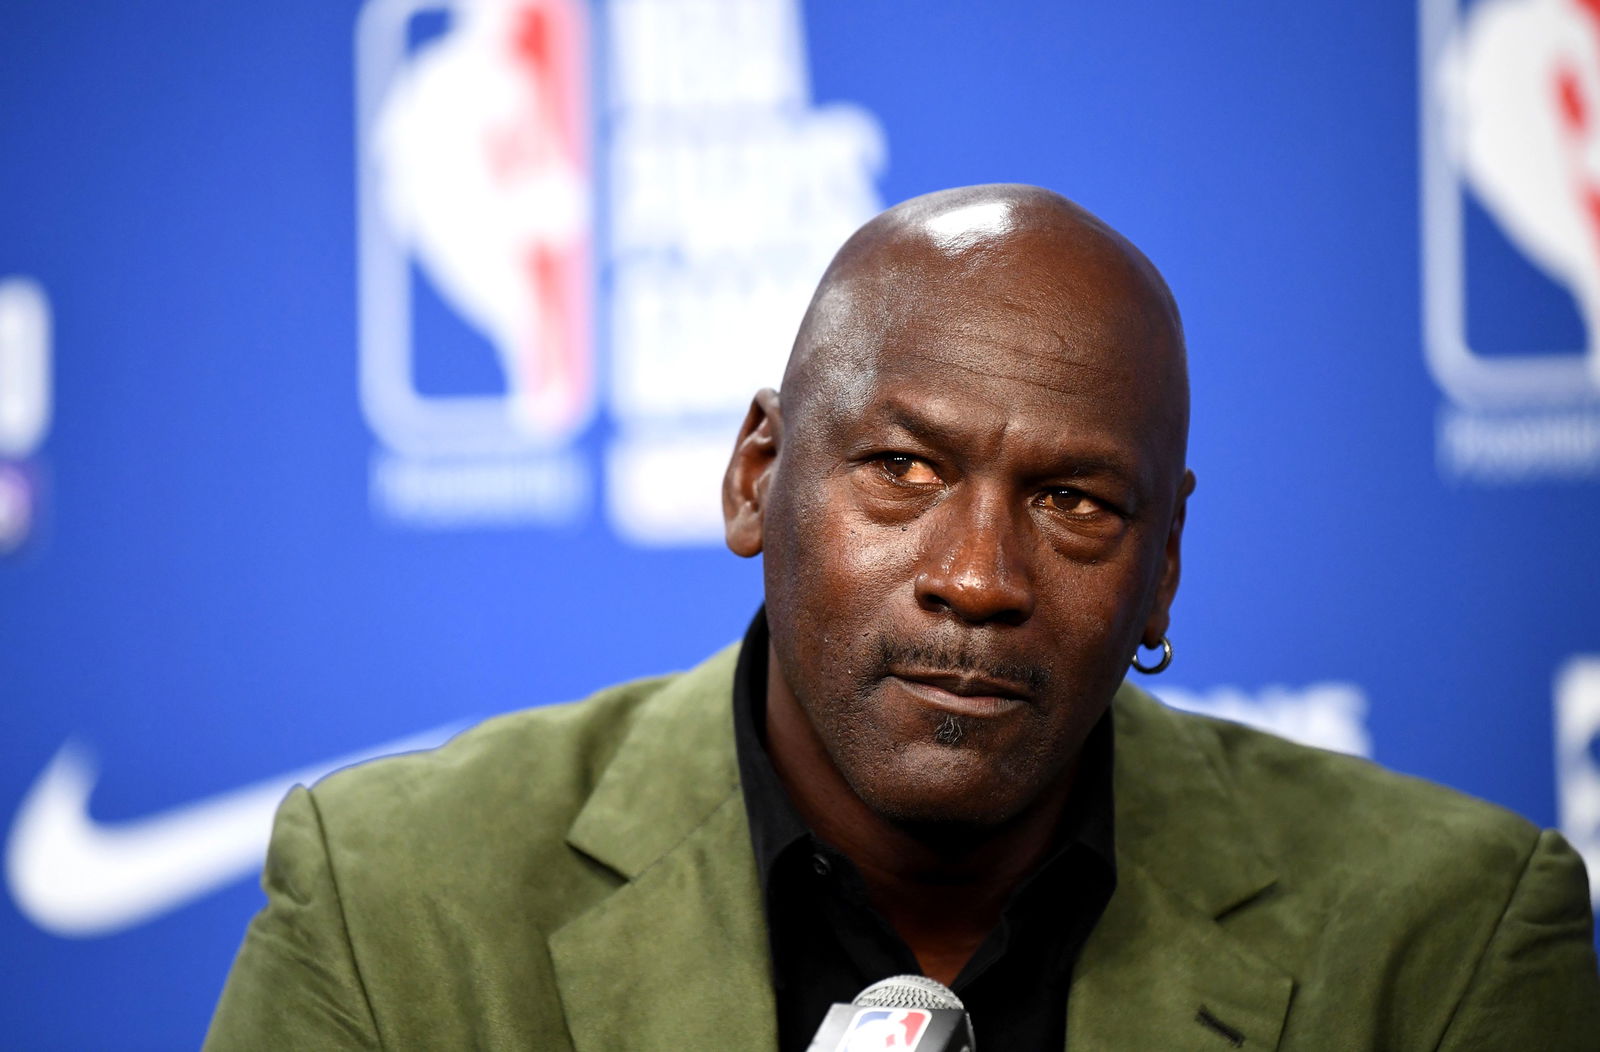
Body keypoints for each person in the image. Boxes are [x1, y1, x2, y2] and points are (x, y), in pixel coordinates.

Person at [205, 185, 1600, 1049]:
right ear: (760, 476)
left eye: (1075, 503)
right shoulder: (394, 900)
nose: (980, 577)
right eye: (905, 470)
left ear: (1166, 564)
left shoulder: (1446, 937)